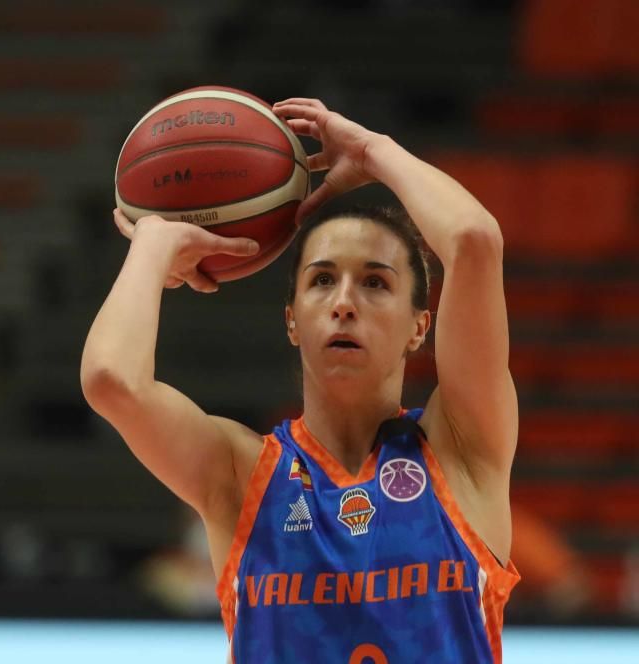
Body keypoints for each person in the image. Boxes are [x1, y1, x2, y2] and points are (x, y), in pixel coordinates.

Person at [81, 98, 519, 662]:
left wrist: (372, 152)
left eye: (376, 283)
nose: (343, 303)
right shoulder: (239, 474)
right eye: (322, 280)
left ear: (419, 327)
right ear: (292, 319)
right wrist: (155, 242)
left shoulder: (463, 452)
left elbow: (475, 241)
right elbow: (110, 380)